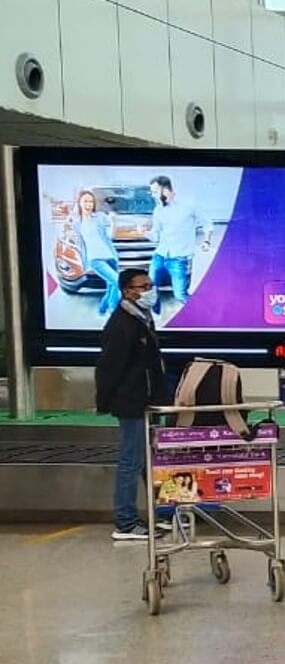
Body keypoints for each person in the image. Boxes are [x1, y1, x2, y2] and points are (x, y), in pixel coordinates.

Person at [95, 269, 171, 542]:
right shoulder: (122, 325)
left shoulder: (141, 319)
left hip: (148, 401)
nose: (151, 290)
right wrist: (104, 401)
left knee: (148, 462)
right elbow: (109, 367)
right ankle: (126, 522)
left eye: (151, 285)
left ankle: (159, 513)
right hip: (132, 404)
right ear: (128, 291)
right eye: (144, 286)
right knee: (131, 461)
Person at [148, 175, 212, 305]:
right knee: (149, 287)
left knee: (180, 295)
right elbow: (155, 237)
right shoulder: (158, 211)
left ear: (165, 190)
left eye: (155, 192)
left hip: (179, 259)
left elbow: (208, 224)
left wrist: (206, 241)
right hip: (159, 256)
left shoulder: (189, 205)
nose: (153, 195)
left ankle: (204, 312)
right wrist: (144, 233)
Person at [60, 190, 121, 316]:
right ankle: (113, 312)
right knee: (117, 282)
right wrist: (68, 229)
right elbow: (72, 237)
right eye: (85, 201)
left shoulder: (99, 217)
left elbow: (110, 236)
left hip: (110, 257)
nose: (88, 204)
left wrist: (113, 222)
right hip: (95, 260)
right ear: (80, 203)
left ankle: (102, 310)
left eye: (91, 201)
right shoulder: (77, 223)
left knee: (111, 286)